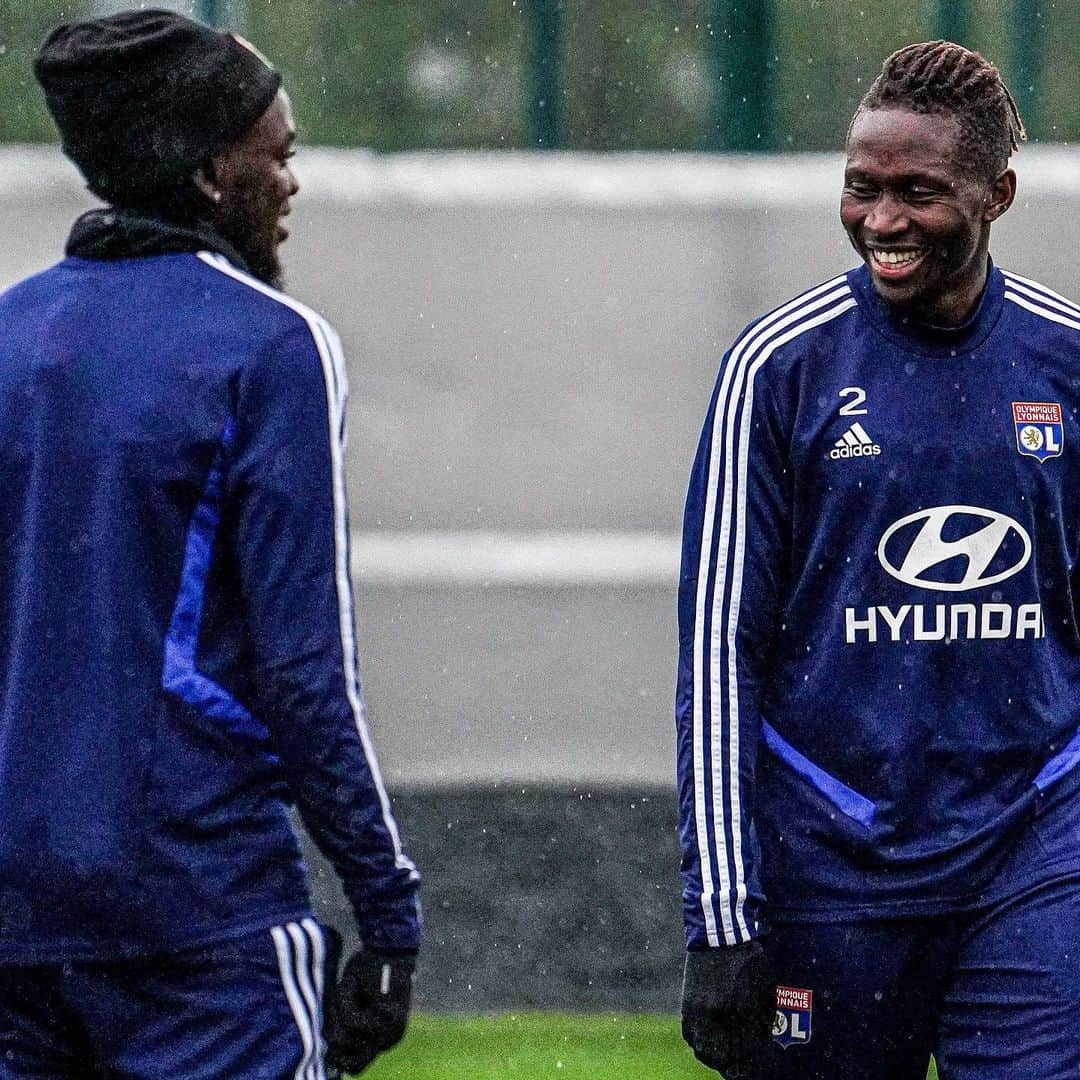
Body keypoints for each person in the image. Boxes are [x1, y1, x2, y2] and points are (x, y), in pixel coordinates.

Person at [0, 10, 419, 1078]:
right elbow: (306, 667)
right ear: (206, 174)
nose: (291, 182)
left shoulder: (10, 334)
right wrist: (386, 906)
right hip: (198, 909)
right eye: (276, 157)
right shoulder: (270, 347)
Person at [677, 40, 1080, 1080]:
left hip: (1036, 849)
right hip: (835, 861)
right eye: (862, 188)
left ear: (998, 193)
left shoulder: (1067, 363)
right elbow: (720, 654)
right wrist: (723, 917)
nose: (883, 220)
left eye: (919, 192)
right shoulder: (777, 370)